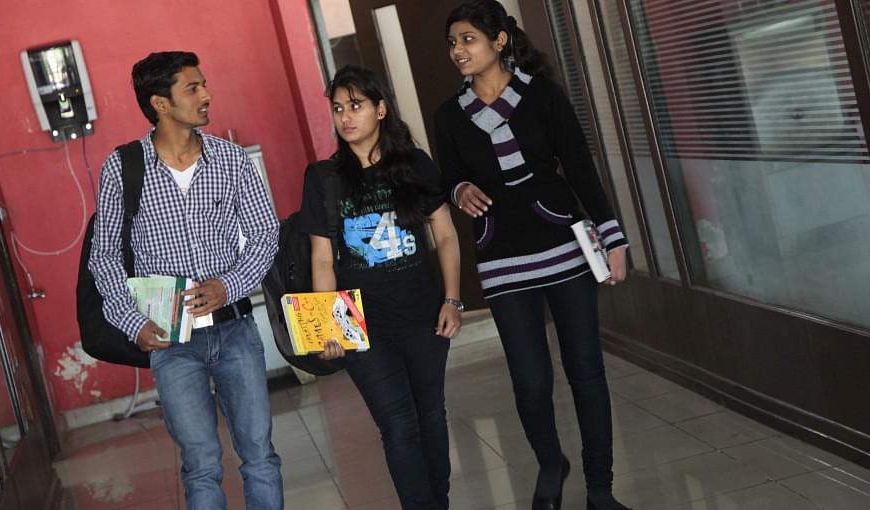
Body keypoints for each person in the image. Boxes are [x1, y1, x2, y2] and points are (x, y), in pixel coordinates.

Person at [434, 2, 632, 510]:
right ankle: (550, 463)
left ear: (499, 41)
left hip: (564, 246)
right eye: (453, 42)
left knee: (586, 369)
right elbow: (448, 176)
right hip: (501, 256)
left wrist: (614, 239)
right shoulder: (449, 116)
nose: (458, 50)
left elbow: (581, 169)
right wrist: (459, 190)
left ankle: (600, 488)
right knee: (530, 380)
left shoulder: (544, 95)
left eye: (468, 39)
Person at [89, 51, 283, 510]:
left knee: (260, 456)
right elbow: (104, 256)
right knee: (200, 465)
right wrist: (133, 323)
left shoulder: (231, 160)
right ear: (160, 103)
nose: (206, 94)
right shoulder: (123, 167)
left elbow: (265, 234)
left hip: (236, 331)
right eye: (193, 88)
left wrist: (229, 285)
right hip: (171, 342)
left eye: (204, 84)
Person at [300, 65, 462, 510]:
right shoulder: (324, 178)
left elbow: (445, 234)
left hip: (422, 312)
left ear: (381, 109)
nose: (346, 117)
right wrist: (328, 327)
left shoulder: (415, 165)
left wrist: (452, 299)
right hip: (361, 323)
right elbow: (321, 259)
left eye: (356, 105)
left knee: (430, 417)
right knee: (396, 425)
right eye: (338, 108)